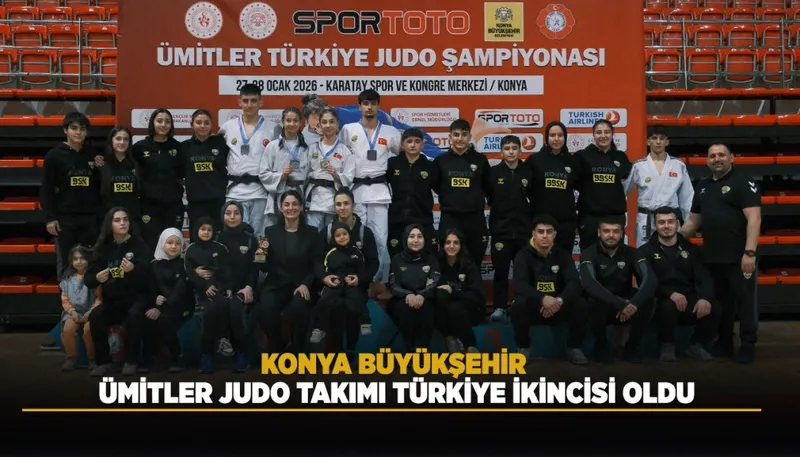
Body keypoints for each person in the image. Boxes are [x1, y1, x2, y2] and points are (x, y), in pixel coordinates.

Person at [679, 143, 761, 364]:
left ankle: (748, 346)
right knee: (723, 304)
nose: (717, 159)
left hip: (739, 257)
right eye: (712, 156)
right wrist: (671, 240)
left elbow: (754, 219)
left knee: (745, 304)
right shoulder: (703, 186)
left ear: (731, 158)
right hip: (712, 257)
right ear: (707, 161)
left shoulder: (743, 182)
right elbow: (692, 222)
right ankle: (725, 344)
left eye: (721, 155)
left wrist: (750, 252)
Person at [639, 207, 718, 362]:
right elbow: (646, 282)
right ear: (655, 226)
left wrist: (705, 298)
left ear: (678, 224)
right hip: (661, 299)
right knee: (667, 305)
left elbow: (705, 278)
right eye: (661, 222)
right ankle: (667, 346)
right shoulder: (645, 251)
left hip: (689, 298)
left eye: (670, 222)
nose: (666, 226)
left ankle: (696, 345)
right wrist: (670, 294)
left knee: (715, 307)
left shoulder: (693, 249)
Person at [339, 89, 401, 285]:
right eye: (365, 104)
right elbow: (341, 155)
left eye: (373, 103)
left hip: (379, 191)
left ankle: (377, 281)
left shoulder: (390, 132)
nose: (369, 107)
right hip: (357, 189)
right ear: (359, 106)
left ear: (378, 106)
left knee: (380, 238)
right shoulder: (348, 130)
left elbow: (400, 157)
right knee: (356, 236)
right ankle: (357, 278)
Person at [510, 214, 588, 365]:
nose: (545, 236)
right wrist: (542, 298)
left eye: (549, 231)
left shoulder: (563, 255)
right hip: (535, 307)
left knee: (580, 303)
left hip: (558, 306)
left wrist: (559, 301)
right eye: (540, 231)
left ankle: (574, 347)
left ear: (554, 234)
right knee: (519, 304)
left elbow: (574, 282)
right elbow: (520, 284)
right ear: (533, 234)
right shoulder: (523, 255)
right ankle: (523, 347)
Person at [85, 207, 152, 376]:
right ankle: (103, 363)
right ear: (110, 224)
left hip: (137, 298)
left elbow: (149, 277)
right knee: (96, 316)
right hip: (113, 300)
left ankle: (131, 361)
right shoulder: (102, 248)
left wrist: (134, 270)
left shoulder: (140, 246)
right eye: (117, 220)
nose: (122, 223)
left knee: (134, 316)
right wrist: (97, 278)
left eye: (125, 219)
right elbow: (88, 279)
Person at [579, 216, 656, 363]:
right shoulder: (588, 253)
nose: (611, 235)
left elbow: (650, 280)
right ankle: (601, 348)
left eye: (615, 231)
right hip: (604, 305)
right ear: (599, 233)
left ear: (622, 234)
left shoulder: (633, 253)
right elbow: (590, 284)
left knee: (648, 300)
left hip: (628, 305)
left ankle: (631, 348)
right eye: (606, 231)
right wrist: (620, 304)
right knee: (591, 301)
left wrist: (632, 304)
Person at [254, 190, 321, 353]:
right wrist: (259, 257)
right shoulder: (269, 231)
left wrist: (305, 284)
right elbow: (262, 264)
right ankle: (277, 347)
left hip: (302, 284)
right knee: (266, 310)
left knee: (300, 307)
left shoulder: (312, 232)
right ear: (281, 208)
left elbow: (317, 264)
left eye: (295, 204)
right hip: (276, 283)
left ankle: (298, 350)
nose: (291, 208)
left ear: (301, 207)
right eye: (287, 204)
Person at [41, 112, 102, 278]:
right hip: (65, 219)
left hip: (89, 218)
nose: (78, 132)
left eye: (82, 129)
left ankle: (89, 295)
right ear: (65, 130)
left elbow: (98, 186)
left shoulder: (92, 154)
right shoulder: (54, 156)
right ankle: (66, 295)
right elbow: (47, 189)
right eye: (74, 128)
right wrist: (50, 218)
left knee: (90, 261)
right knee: (66, 262)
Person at [220, 83, 279, 236]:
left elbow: (278, 160)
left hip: (260, 192)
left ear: (261, 102)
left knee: (260, 237)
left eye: (253, 100)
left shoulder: (273, 128)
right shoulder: (227, 127)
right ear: (239, 102)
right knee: (234, 236)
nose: (249, 104)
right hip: (234, 192)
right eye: (245, 101)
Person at [624, 124, 694, 247]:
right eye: (654, 138)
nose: (658, 142)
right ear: (648, 142)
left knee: (671, 252)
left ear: (667, 142)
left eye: (661, 138)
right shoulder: (638, 166)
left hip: (669, 219)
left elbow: (687, 198)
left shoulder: (678, 165)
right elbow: (622, 191)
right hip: (646, 219)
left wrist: (688, 224)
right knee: (644, 254)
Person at [433, 119, 491, 266]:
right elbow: (436, 186)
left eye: (464, 134)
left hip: (475, 218)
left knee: (474, 263)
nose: (460, 138)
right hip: (450, 218)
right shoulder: (440, 160)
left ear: (470, 136)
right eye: (456, 134)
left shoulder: (481, 160)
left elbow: (488, 186)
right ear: (450, 137)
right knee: (448, 263)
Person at [488, 135, 533, 318]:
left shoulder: (529, 172)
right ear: (501, 152)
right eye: (507, 148)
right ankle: (499, 307)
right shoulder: (493, 173)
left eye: (515, 148)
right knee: (501, 271)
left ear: (520, 151)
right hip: (501, 232)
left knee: (523, 273)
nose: (511, 151)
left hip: (524, 231)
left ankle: (520, 305)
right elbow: (489, 198)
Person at [184, 217, 233, 373]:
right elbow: (189, 273)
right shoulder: (191, 249)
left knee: (222, 304)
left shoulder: (220, 248)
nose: (206, 232)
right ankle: (207, 354)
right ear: (197, 230)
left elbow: (226, 271)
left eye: (209, 230)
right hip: (199, 291)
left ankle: (222, 340)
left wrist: (222, 286)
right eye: (203, 229)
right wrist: (204, 286)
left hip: (218, 288)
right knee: (210, 310)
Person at [213, 201, 259, 369]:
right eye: (228, 213)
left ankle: (242, 353)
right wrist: (223, 288)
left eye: (236, 213)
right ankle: (216, 351)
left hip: (244, 288)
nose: (232, 217)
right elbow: (212, 267)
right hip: (221, 287)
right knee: (219, 305)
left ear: (242, 215)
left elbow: (254, 268)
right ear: (222, 216)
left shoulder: (250, 239)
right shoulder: (216, 238)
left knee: (235, 308)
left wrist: (249, 287)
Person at [574, 119, 632, 250]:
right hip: (589, 216)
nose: (603, 135)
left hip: (615, 216)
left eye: (607, 132)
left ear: (612, 134)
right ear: (593, 135)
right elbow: (574, 181)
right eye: (599, 132)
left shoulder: (620, 157)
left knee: (616, 254)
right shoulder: (582, 156)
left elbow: (628, 179)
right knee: (589, 252)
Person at [132, 108, 185, 251]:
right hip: (149, 205)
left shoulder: (178, 147)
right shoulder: (139, 147)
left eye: (167, 122)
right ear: (152, 123)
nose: (163, 125)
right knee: (150, 245)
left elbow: (184, 173)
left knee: (172, 245)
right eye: (159, 121)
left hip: (173, 206)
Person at [312, 221, 372, 347]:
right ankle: (319, 328)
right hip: (336, 283)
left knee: (357, 297)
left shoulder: (356, 252)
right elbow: (326, 268)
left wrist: (358, 278)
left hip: (351, 283)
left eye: (344, 234)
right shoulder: (331, 253)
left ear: (350, 235)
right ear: (334, 238)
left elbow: (362, 268)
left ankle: (365, 323)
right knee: (325, 299)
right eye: (338, 235)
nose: (342, 237)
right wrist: (329, 278)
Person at [386, 127, 439, 258]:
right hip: (397, 220)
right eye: (409, 141)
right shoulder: (392, 164)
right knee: (396, 257)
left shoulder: (430, 166)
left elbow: (441, 190)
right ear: (402, 144)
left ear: (422, 144)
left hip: (422, 219)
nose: (413, 145)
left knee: (428, 257)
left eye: (417, 141)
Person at [526, 121, 578, 252]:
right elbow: (525, 189)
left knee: (564, 260)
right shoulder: (534, 160)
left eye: (560, 135)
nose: (556, 139)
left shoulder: (573, 161)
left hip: (566, 224)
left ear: (565, 137)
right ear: (546, 137)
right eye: (552, 135)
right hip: (541, 224)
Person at [388, 224, 441, 351]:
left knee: (427, 310)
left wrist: (422, 295)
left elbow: (435, 282)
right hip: (403, 299)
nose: (416, 240)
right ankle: (410, 349)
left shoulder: (431, 259)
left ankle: (423, 350)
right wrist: (408, 295)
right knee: (406, 311)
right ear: (406, 239)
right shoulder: (397, 259)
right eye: (412, 236)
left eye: (419, 236)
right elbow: (393, 285)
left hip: (426, 298)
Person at [146, 228, 191, 373]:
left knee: (165, 319)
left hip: (182, 306)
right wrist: (154, 300)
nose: (173, 246)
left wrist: (161, 308)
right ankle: (147, 357)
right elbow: (150, 288)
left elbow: (180, 292)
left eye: (177, 243)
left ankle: (177, 357)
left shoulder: (185, 264)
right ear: (162, 244)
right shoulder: (153, 265)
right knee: (143, 316)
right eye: (169, 242)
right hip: (160, 306)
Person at [182, 109, 230, 240]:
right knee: (197, 237)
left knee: (218, 237)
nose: (202, 126)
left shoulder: (221, 143)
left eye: (206, 123)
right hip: (196, 202)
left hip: (218, 201)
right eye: (198, 122)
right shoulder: (185, 147)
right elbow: (180, 172)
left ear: (211, 125)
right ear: (192, 124)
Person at [305, 107, 355, 230]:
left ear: (337, 124)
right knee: (313, 235)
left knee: (331, 234)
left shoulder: (345, 150)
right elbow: (304, 175)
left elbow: (349, 177)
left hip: (334, 199)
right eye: (324, 122)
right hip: (314, 200)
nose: (328, 125)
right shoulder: (312, 148)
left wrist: (335, 174)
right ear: (319, 125)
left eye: (332, 122)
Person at [260, 107, 310, 227]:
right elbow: (263, 173)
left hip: (299, 193)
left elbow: (310, 175)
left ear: (301, 123)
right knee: (274, 229)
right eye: (288, 120)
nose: (292, 124)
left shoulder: (305, 148)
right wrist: (281, 176)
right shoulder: (272, 146)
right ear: (283, 122)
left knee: (298, 228)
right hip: (279, 192)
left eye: (295, 120)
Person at [436, 229, 484, 353]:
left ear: (461, 245)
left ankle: (470, 346)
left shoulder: (469, 264)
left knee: (455, 309)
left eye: (456, 243)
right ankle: (449, 339)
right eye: (448, 242)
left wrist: (453, 292)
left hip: (468, 307)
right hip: (443, 311)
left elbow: (476, 294)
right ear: (442, 245)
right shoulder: (437, 263)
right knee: (441, 299)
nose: (451, 246)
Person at [59, 245, 102, 372]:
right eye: (75, 259)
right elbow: (65, 300)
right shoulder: (67, 279)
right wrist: (72, 312)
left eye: (82, 258)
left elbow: (99, 298)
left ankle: (92, 359)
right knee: (68, 330)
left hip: (91, 312)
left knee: (89, 331)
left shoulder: (95, 277)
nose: (79, 261)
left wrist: (89, 313)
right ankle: (71, 357)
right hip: (73, 313)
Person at [98, 126, 141, 236]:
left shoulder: (137, 164)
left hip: (132, 219)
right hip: (107, 219)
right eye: (118, 139)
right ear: (111, 140)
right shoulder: (101, 164)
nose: (122, 142)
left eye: (126, 139)